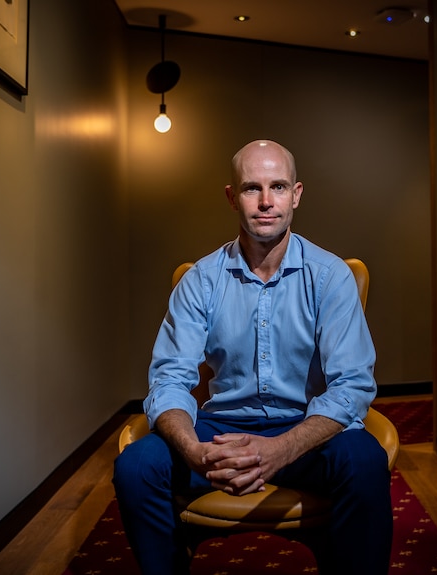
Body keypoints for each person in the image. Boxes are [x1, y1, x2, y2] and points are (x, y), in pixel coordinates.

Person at [112, 140, 393, 574]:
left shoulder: (330, 276)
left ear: (296, 195)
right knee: (136, 467)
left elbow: (352, 385)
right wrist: (192, 451)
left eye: (278, 187)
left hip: (306, 429)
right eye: (251, 188)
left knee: (366, 460)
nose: (266, 202)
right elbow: (170, 379)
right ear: (231, 197)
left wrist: (281, 449)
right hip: (220, 430)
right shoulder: (200, 281)